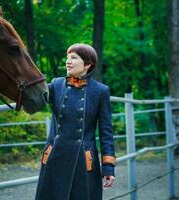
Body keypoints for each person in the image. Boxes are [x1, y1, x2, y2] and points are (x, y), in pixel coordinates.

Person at [35, 43, 116, 200]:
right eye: (67, 57)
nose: (68, 61)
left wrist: (108, 167)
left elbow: (106, 133)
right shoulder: (56, 84)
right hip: (54, 158)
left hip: (83, 161)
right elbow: (34, 97)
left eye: (73, 57)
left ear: (87, 64)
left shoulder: (100, 91)